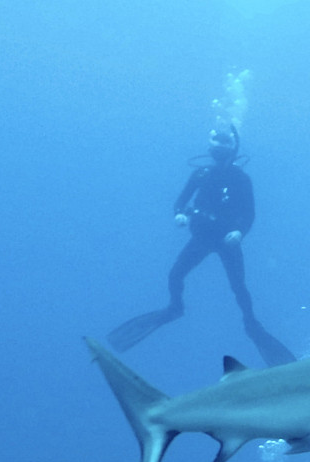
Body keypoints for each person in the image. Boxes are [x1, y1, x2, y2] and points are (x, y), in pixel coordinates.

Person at [108, 125, 296, 367]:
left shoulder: (241, 179)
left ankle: (251, 323)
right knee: (175, 274)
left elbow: (249, 213)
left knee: (239, 286)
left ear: (234, 147)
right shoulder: (200, 174)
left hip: (227, 240)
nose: (219, 148)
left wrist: (239, 232)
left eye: (225, 143)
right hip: (203, 237)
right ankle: (175, 308)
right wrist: (179, 214)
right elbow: (180, 201)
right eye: (216, 143)